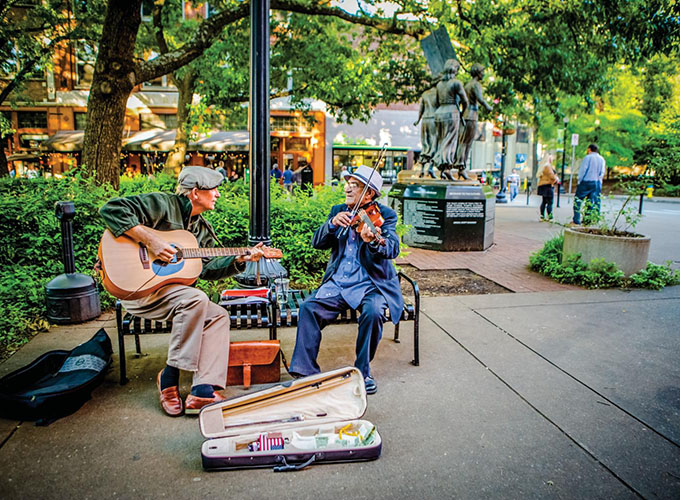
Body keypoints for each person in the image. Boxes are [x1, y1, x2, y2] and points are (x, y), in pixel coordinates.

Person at [99, 166, 264, 417]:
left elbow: (207, 268)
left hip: (172, 295)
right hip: (138, 289)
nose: (218, 194)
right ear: (195, 193)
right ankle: (169, 377)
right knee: (197, 298)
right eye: (213, 190)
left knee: (217, 315)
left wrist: (238, 260)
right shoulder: (162, 204)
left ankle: (202, 389)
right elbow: (111, 209)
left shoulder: (200, 229)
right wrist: (151, 241)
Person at [288, 165, 404, 395]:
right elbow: (317, 242)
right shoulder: (339, 210)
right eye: (348, 183)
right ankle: (305, 372)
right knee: (308, 308)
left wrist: (374, 241)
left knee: (373, 312)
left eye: (354, 185)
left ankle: (363, 370)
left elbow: (392, 248)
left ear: (369, 193)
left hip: (371, 283)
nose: (347, 188)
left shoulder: (385, 215)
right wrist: (331, 225)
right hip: (339, 283)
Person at [433, 59, 469, 181]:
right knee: (450, 141)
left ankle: (441, 168)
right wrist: (461, 114)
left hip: (439, 113)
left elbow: (437, 102)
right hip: (451, 112)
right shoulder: (456, 83)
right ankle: (447, 168)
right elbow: (465, 101)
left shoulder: (439, 84)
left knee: (442, 141)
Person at [455, 63, 493, 178]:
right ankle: (461, 167)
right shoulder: (475, 85)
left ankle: (461, 166)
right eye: (482, 71)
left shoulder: (467, 85)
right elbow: (480, 99)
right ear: (477, 72)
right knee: (467, 142)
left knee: (463, 141)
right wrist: (488, 107)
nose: (484, 74)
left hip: (465, 114)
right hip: (471, 115)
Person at [572, 143, 606, 225]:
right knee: (591, 201)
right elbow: (602, 172)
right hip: (596, 182)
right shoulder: (601, 159)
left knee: (578, 200)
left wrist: (579, 181)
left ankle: (576, 220)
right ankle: (588, 219)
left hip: (586, 181)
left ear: (589, 149)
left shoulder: (588, 158)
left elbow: (583, 170)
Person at [414, 85, 439, 178]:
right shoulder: (438, 93)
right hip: (433, 119)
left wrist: (418, 120)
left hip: (425, 119)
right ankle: (430, 168)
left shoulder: (425, 94)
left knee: (425, 144)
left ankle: (422, 168)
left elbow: (421, 108)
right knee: (434, 145)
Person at [537, 155, 560, 221]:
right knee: (550, 202)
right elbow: (551, 175)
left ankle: (542, 216)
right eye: (551, 158)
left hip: (543, 185)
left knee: (544, 201)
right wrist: (556, 179)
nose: (552, 160)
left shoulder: (543, 166)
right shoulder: (548, 166)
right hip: (548, 185)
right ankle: (550, 217)